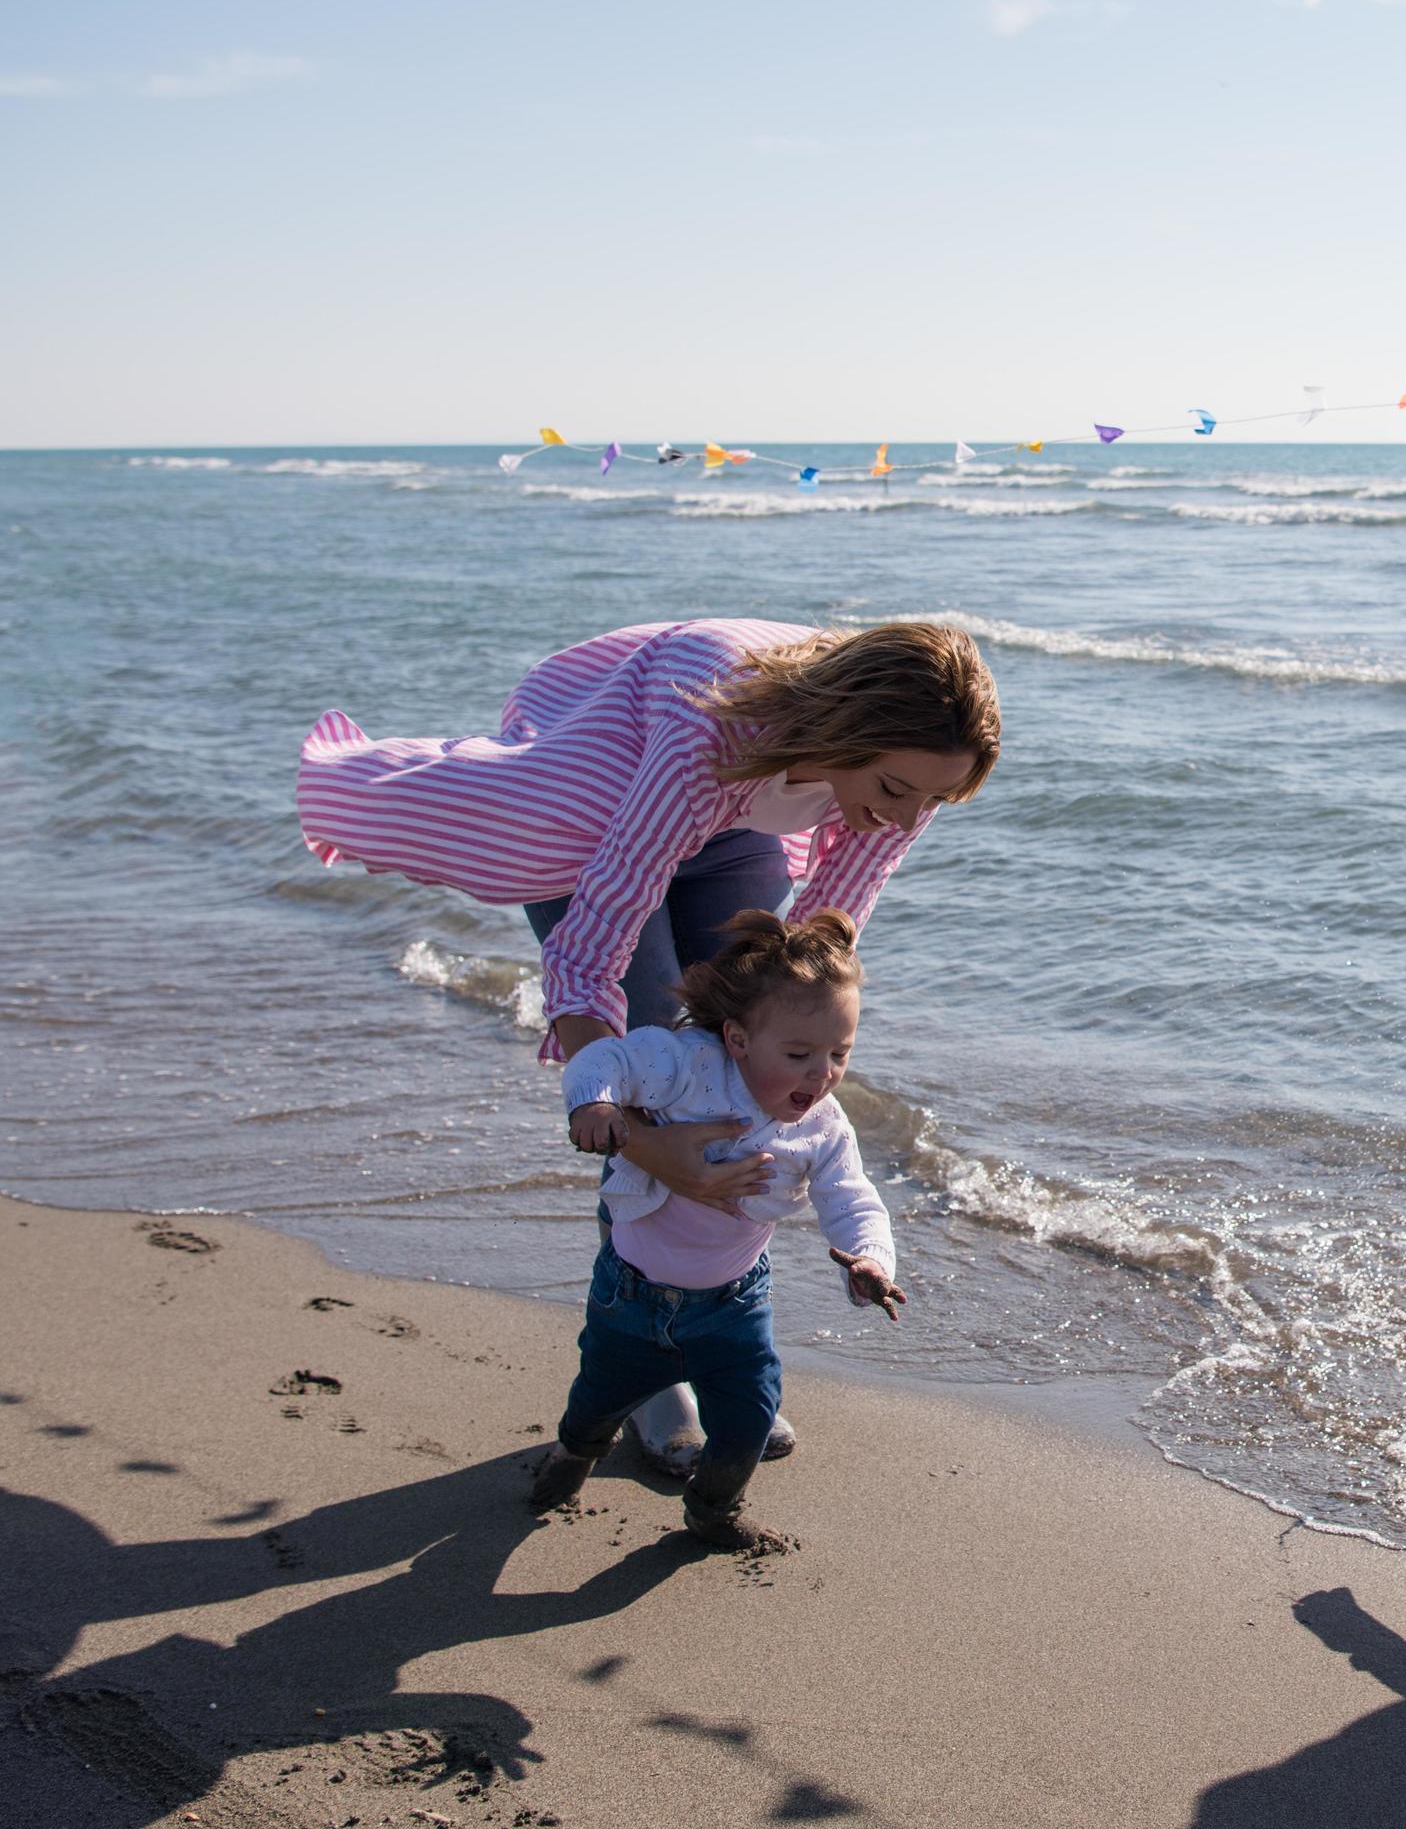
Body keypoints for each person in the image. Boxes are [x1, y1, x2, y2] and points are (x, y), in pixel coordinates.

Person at [297, 617, 996, 1466]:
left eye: (934, 801)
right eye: (896, 791)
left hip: (738, 822)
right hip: (605, 791)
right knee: (657, 1050)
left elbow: (823, 947)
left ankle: (722, 1349)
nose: (905, 821)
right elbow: (593, 946)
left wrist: (805, 1075)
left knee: (753, 1040)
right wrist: (641, 1139)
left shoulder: (905, 778)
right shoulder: (716, 728)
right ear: (849, 733)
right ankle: (648, 1365)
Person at [528, 909, 904, 1552]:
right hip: (632, 1294)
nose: (822, 1075)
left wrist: (870, 1258)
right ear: (736, 1039)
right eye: (798, 1054)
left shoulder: (822, 1123)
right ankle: (573, 1454)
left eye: (840, 1054)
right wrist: (593, 1102)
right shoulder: (685, 1064)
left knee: (752, 1413)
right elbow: (604, 1057)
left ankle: (714, 1506)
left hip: (734, 1304)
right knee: (598, 1399)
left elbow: (850, 1196)